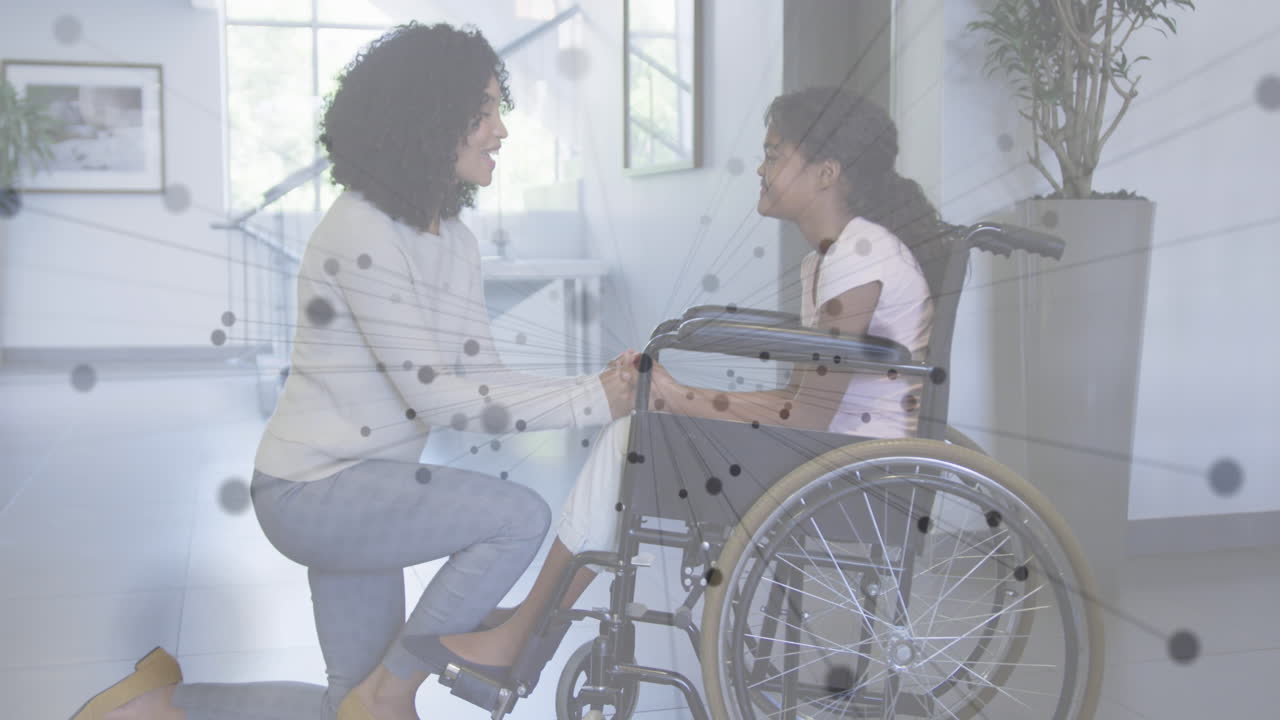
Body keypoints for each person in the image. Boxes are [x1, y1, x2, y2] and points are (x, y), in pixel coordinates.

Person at [69, 22, 637, 720]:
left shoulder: (450, 240)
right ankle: (397, 684)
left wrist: (600, 391)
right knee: (517, 520)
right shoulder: (359, 230)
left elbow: (482, 375)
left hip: (370, 489)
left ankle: (156, 706)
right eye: (484, 110)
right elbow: (440, 399)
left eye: (499, 109)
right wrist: (591, 399)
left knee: (352, 706)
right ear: (429, 117)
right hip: (314, 491)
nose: (501, 129)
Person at [402, 85, 953, 687]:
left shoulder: (859, 253)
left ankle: (529, 628)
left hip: (847, 476)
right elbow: (806, 401)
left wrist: (677, 396)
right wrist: (675, 396)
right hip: (835, 459)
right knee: (637, 430)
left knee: (633, 438)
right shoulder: (836, 254)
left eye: (774, 154)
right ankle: (535, 621)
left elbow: (807, 413)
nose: (761, 169)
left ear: (826, 172)